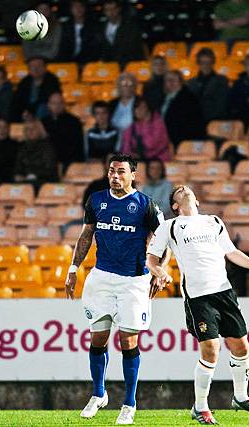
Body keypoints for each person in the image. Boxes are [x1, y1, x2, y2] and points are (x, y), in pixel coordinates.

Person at [146, 184, 249, 425]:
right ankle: (201, 406)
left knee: (241, 346)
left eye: (186, 189)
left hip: (224, 292)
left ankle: (240, 397)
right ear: (175, 205)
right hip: (198, 296)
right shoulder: (170, 226)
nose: (183, 189)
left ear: (196, 201)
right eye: (177, 191)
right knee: (211, 348)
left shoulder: (213, 221)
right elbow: (151, 259)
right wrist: (160, 272)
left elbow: (231, 252)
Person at [65, 153, 164, 425]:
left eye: (121, 171)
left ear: (133, 175)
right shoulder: (96, 200)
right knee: (97, 339)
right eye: (111, 171)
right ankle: (98, 394)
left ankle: (129, 403)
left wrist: (158, 271)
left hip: (134, 279)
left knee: (127, 341)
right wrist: (73, 269)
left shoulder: (146, 205)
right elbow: (86, 235)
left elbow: (163, 238)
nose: (115, 176)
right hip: (101, 277)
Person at [160, 70, 205, 148]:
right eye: (168, 80)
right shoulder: (162, 98)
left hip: (182, 141)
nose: (171, 82)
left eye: (174, 80)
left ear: (181, 81)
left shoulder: (189, 99)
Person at [42, 92, 85, 170]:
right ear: (48, 105)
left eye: (60, 103)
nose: (57, 106)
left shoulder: (74, 121)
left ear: (64, 104)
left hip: (69, 162)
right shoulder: (43, 122)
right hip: (47, 162)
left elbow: (78, 147)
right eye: (54, 103)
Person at [10, 56, 61, 122]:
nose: (36, 68)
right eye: (32, 66)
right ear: (28, 69)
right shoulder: (24, 81)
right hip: (27, 113)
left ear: (45, 67)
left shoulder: (52, 80)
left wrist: (31, 113)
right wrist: (24, 112)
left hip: (45, 112)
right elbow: (18, 100)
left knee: (42, 108)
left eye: (39, 65)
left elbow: (47, 100)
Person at [187, 48, 229, 127]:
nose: (206, 66)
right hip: (194, 122)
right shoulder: (191, 82)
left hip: (214, 122)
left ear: (213, 63)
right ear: (198, 63)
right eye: (203, 62)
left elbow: (221, 105)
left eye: (208, 62)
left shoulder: (221, 81)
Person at [121, 97, 171, 162]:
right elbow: (125, 149)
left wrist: (146, 123)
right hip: (141, 161)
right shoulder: (131, 127)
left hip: (159, 160)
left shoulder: (158, 123)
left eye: (142, 107)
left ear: (148, 109)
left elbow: (150, 144)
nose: (138, 110)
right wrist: (132, 155)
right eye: (136, 107)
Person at [13, 119, 58, 191]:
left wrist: (33, 175)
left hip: (44, 182)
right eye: (27, 129)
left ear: (40, 130)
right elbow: (18, 167)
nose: (30, 131)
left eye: (33, 128)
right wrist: (18, 175)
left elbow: (50, 169)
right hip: (26, 181)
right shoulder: (22, 147)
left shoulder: (48, 147)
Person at [100, 0, 145, 67]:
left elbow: (134, 48)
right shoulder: (102, 27)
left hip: (129, 64)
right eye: (108, 10)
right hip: (110, 66)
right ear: (104, 12)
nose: (111, 12)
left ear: (119, 9)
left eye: (113, 9)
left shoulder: (130, 26)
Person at [109, 72, 138, 137]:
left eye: (130, 83)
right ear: (118, 87)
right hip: (114, 139)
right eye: (123, 84)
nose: (127, 87)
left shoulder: (141, 103)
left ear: (135, 86)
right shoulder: (111, 104)